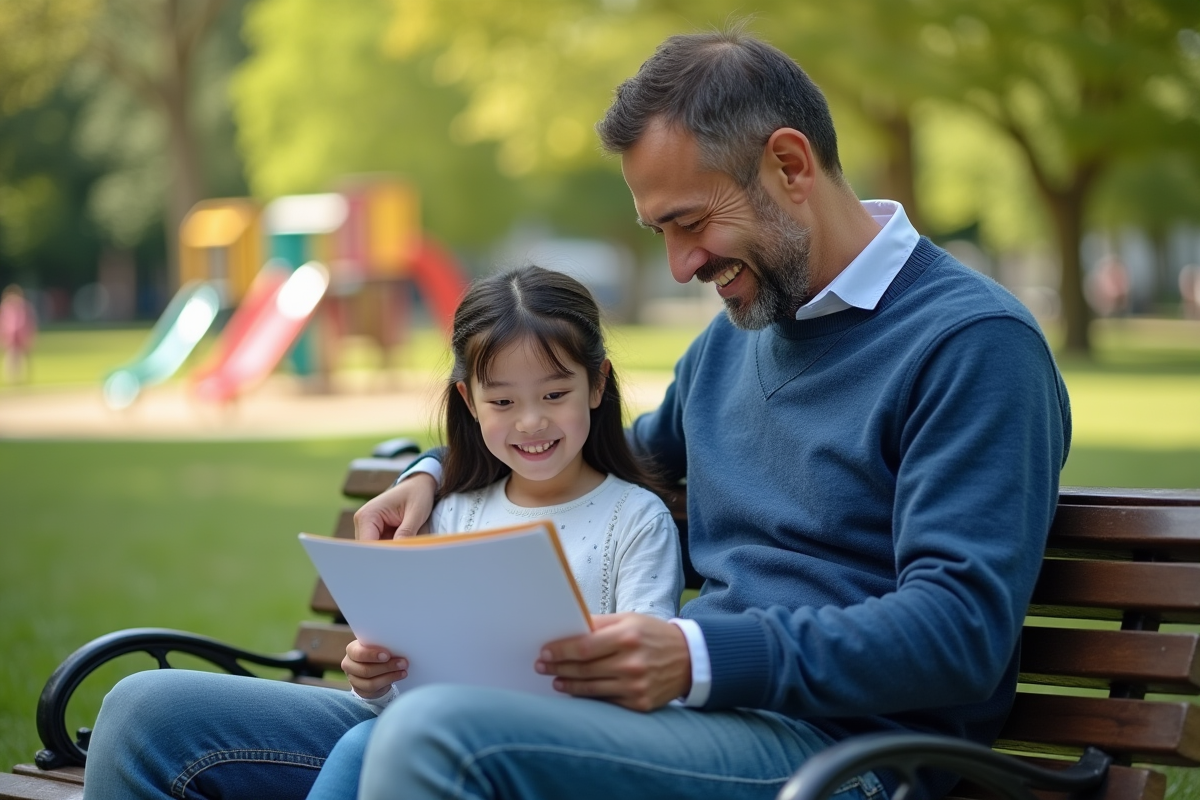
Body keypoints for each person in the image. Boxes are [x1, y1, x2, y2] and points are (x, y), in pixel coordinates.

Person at [81, 26, 1071, 800]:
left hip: (839, 754)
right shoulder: (735, 337)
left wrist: (694, 653)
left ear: (791, 166)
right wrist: (435, 471)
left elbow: (959, 626)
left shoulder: (971, 345)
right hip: (676, 727)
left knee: (436, 733)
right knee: (148, 712)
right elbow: (599, 455)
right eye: (662, 232)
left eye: (690, 222)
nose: (682, 265)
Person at [304, 265, 683, 800]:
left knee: (364, 747)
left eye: (555, 395)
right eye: (503, 402)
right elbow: (408, 695)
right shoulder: (454, 515)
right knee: (368, 739)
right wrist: (375, 679)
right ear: (468, 400)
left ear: (597, 384)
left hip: (570, 759)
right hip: (439, 747)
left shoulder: (635, 520)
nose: (530, 422)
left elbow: (650, 678)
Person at [0, 284, 36, 383]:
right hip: (11, 335)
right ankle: (12, 378)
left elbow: (29, 321)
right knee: (11, 356)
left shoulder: (24, 306)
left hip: (23, 334)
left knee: (25, 357)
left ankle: (24, 378)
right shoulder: (6, 307)